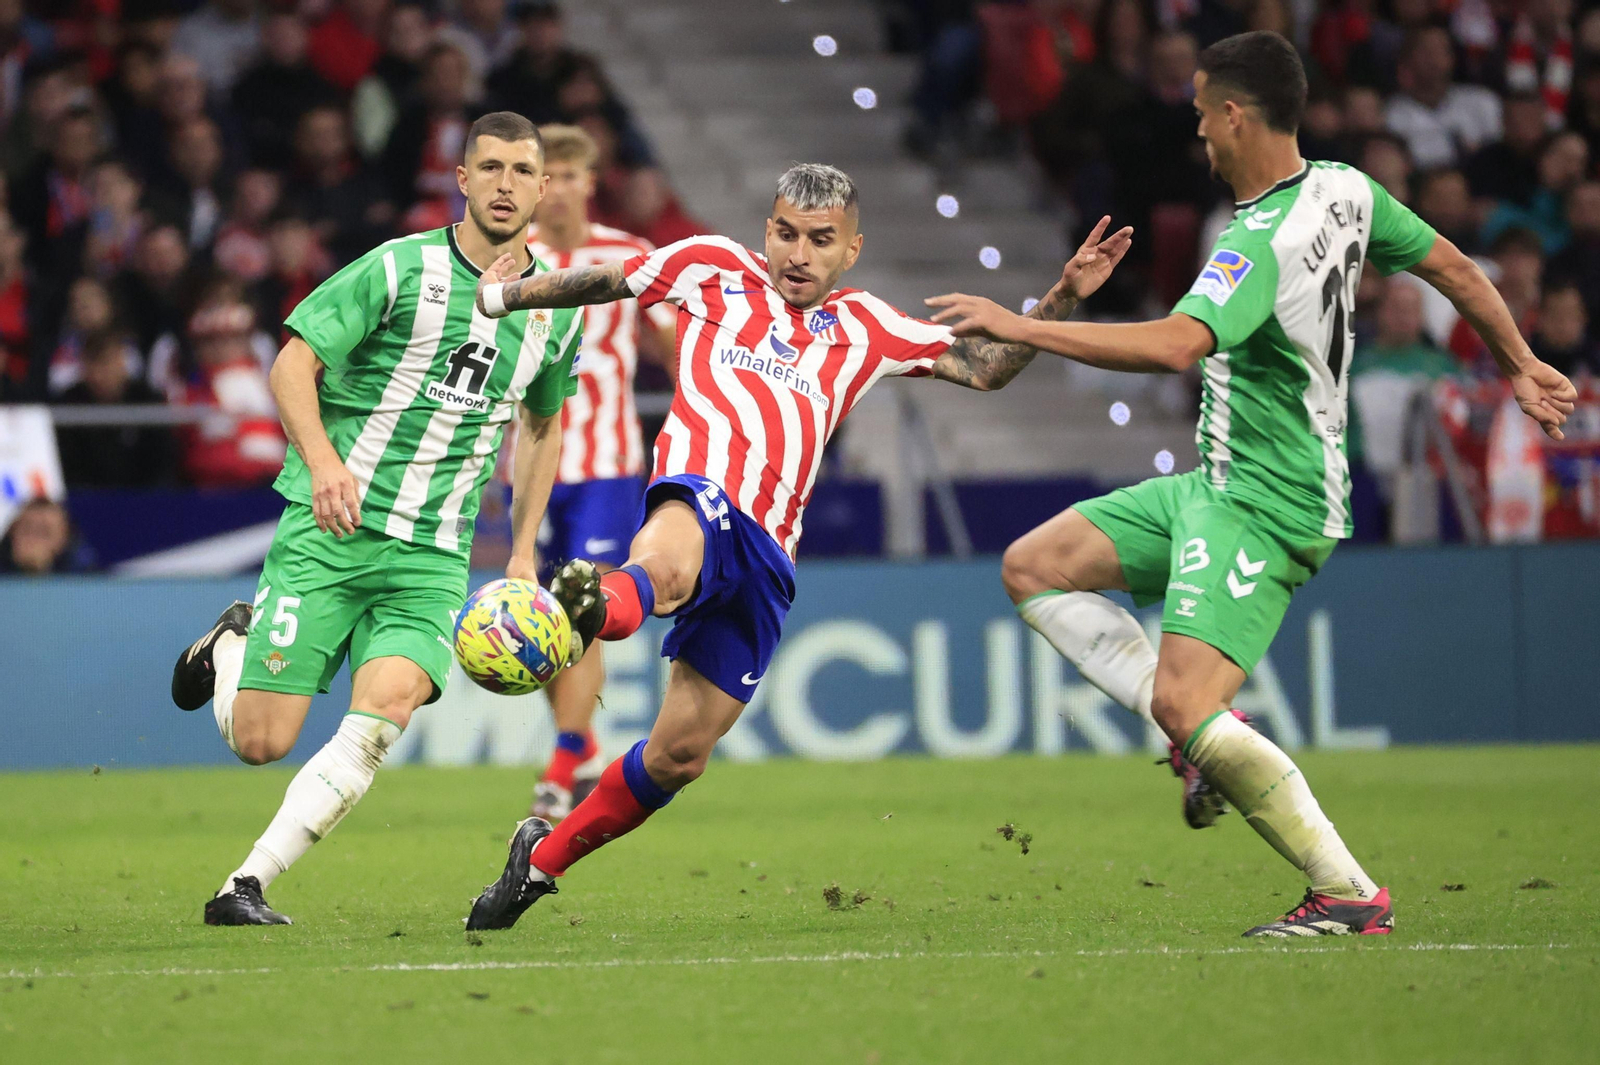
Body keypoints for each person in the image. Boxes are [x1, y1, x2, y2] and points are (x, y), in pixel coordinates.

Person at [926, 31, 1576, 937]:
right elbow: (1456, 268)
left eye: (1201, 115)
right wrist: (1520, 361)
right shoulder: (1347, 189)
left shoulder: (1255, 242)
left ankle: (1345, 889)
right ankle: (1198, 743)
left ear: (1236, 114)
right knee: (1035, 565)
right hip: (1217, 482)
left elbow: (1174, 347)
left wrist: (1023, 326)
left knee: (1187, 702)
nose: (1198, 133)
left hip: (1270, 502)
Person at [461, 162, 1133, 931]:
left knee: (679, 756)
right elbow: (605, 281)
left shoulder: (869, 326)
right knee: (669, 562)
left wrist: (1065, 294)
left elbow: (985, 369)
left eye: (820, 240)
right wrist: (499, 294)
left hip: (770, 558)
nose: (797, 254)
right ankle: (591, 607)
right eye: (785, 233)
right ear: (767, 230)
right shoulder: (711, 267)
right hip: (699, 494)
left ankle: (539, 861)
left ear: (851, 250)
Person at [167, 112, 584, 927]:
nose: (505, 183)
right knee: (261, 740)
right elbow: (294, 363)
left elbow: (541, 424)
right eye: (489, 166)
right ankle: (227, 647)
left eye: (521, 170)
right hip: (332, 533)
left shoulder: (553, 308)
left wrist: (526, 550)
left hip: (432, 556)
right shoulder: (399, 269)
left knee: (385, 711)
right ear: (461, 179)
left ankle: (243, 885)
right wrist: (324, 463)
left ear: (543, 186)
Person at [521, 124, 677, 822]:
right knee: (538, 621)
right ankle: (582, 751)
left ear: (590, 182)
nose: (555, 191)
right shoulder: (511, 260)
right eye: (542, 177)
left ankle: (558, 771)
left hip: (609, 465)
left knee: (580, 612)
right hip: (528, 467)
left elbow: (675, 346)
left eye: (568, 176)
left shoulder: (629, 255)